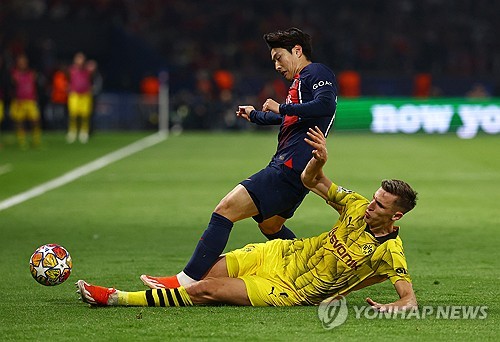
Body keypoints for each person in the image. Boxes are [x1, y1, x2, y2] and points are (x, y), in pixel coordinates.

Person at [77, 126, 418, 311]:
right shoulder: (356, 206)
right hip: (280, 254)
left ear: (396, 215)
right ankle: (168, 284)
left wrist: (392, 306)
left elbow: (409, 300)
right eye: (374, 198)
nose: (371, 206)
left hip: (287, 289)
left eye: (380, 205)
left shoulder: (390, 252)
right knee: (201, 272)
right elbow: (311, 180)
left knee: (205, 290)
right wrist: (319, 160)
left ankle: (115, 297)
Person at [140, 27, 338, 290]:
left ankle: (185, 280)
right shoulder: (299, 82)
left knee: (224, 210)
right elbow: (287, 117)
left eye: (279, 57)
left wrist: (283, 106)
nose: (277, 65)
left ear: (297, 50)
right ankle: (312, 276)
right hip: (296, 170)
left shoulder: (316, 72)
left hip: (288, 167)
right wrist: (256, 115)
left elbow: (327, 105)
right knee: (271, 226)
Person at [66, 52, 95, 144]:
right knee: (73, 114)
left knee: (85, 115)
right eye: (78, 59)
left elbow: (93, 73)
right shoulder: (71, 70)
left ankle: (84, 132)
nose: (80, 61)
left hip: (85, 95)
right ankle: (72, 131)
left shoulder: (88, 70)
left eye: (81, 59)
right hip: (74, 95)